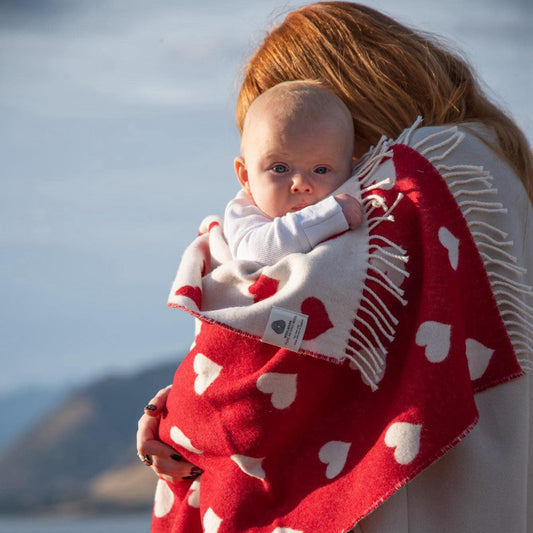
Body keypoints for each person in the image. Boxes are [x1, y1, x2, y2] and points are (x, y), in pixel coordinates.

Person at [137, 2, 533, 532]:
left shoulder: (422, 170)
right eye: (278, 162)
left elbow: (287, 329)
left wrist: (180, 417)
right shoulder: (493, 162)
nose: (300, 185)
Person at [226, 79, 362, 264]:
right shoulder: (243, 211)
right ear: (245, 176)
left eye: (321, 170)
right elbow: (255, 254)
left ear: (351, 170)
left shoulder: (359, 194)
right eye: (280, 168)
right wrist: (329, 216)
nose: (301, 184)